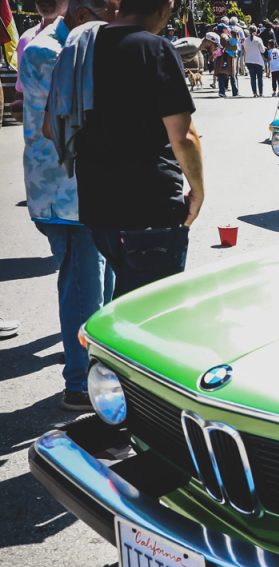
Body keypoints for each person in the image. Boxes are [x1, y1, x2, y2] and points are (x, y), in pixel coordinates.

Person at [65, 0, 204, 299]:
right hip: (150, 207)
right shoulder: (156, 49)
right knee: (155, 312)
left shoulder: (81, 49)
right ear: (166, 7)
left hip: (98, 206)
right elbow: (183, 136)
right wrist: (198, 191)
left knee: (126, 302)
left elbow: (53, 128)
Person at [23, 0, 116, 410]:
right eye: (110, 15)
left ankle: (100, 373)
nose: (116, 23)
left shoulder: (78, 42)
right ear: (83, 14)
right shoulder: (49, 50)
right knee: (83, 290)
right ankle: (79, 384)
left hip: (92, 187)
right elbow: (70, 118)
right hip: (66, 192)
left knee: (104, 285)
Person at [242, 25, 266, 96]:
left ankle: (254, 93)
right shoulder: (258, 40)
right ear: (255, 31)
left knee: (252, 78)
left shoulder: (245, 40)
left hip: (249, 60)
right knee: (259, 78)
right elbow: (263, 51)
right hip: (258, 60)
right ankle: (261, 93)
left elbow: (246, 50)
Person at [216, 22, 238, 96]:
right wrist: (235, 47)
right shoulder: (224, 36)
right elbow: (227, 45)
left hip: (222, 58)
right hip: (226, 59)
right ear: (223, 29)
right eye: (226, 28)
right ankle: (234, 92)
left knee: (222, 75)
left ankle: (222, 92)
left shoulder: (220, 35)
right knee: (231, 75)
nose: (227, 29)